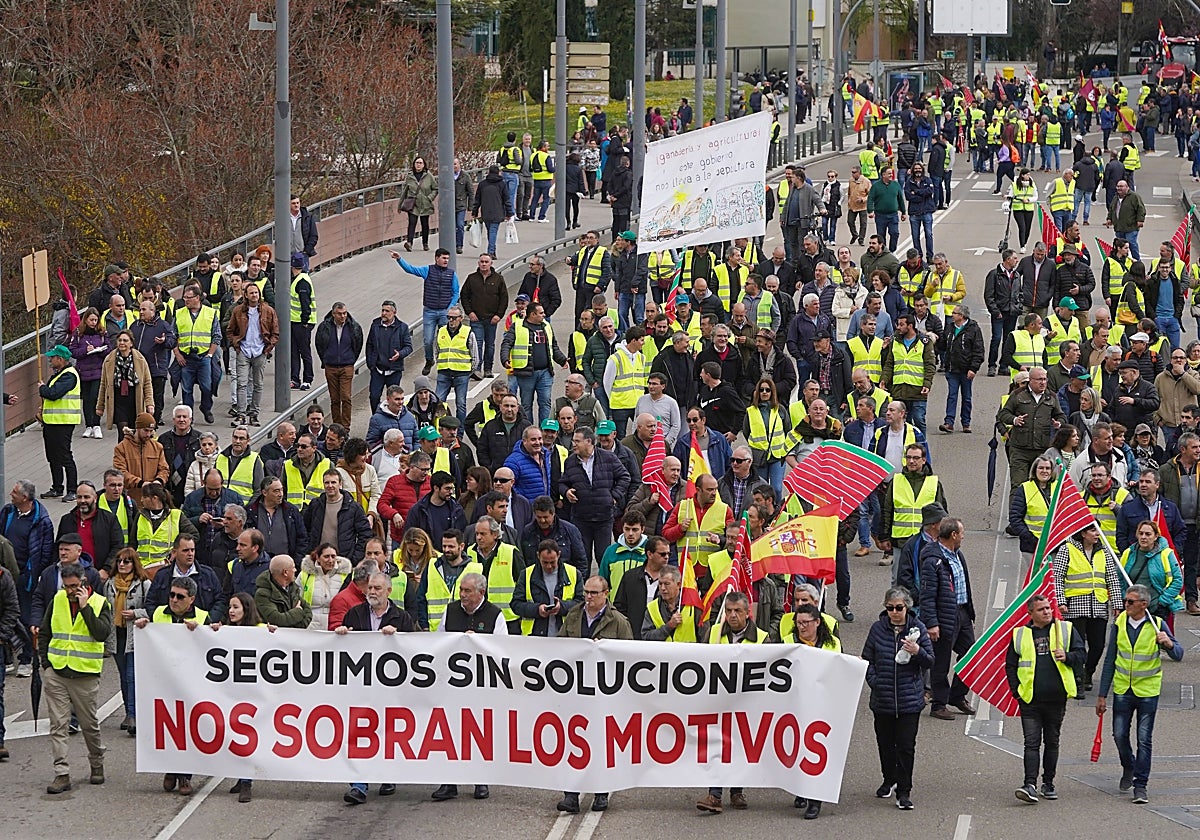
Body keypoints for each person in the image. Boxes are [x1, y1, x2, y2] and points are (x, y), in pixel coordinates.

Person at [1096, 583, 1184, 805]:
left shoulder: (1157, 625)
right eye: (1126, 600)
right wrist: (1102, 694)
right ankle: (1129, 765)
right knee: (1119, 735)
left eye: (1130, 602)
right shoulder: (1119, 623)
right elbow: (1110, 659)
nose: (1126, 604)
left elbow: (1178, 654)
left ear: (1143, 605)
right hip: (1123, 689)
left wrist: (1168, 644)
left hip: (1147, 691)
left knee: (1144, 739)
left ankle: (1140, 785)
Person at [335, 570, 417, 805]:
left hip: (391, 688)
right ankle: (359, 785)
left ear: (389, 591)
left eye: (377, 588)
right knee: (360, 732)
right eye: (370, 588)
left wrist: (399, 637)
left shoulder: (401, 618)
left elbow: (413, 650)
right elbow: (345, 650)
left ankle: (387, 774)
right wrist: (342, 634)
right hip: (361, 687)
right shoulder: (354, 614)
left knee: (388, 731)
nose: (372, 592)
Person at [554, 574, 631, 814]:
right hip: (576, 690)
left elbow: (628, 656)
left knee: (600, 744)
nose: (588, 597)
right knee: (574, 744)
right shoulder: (574, 615)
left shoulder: (617, 621)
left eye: (594, 593)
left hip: (603, 694)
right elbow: (560, 646)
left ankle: (601, 792)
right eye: (586, 592)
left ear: (606, 594)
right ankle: (571, 795)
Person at [39, 561, 112, 794]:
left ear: (84, 583)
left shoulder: (99, 603)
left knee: (89, 725)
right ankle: (61, 773)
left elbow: (102, 633)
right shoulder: (58, 600)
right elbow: (45, 632)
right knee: (58, 725)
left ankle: (97, 764)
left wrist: (85, 607)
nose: (69, 591)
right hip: (58, 673)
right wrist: (46, 665)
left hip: (85, 675)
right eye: (66, 586)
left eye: (73, 586)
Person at [1006, 593, 1086, 804]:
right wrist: (1017, 691)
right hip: (1030, 700)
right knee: (1031, 743)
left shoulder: (1065, 629)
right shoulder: (1020, 635)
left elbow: (1081, 655)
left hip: (1057, 698)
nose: (1048, 612)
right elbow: (1011, 665)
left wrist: (1068, 657)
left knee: (1052, 742)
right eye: (1042, 609)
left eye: (1049, 608)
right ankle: (1029, 784)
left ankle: (1048, 782)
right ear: (1031, 613)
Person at [861, 586, 932, 811]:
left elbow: (930, 661)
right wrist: (875, 681)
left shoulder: (918, 629)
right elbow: (867, 659)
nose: (894, 612)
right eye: (890, 608)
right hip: (882, 700)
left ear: (907, 607)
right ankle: (888, 779)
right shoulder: (877, 629)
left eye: (898, 608)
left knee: (905, 746)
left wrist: (917, 651)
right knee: (885, 745)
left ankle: (904, 791)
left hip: (909, 700)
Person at [919, 517, 977, 720]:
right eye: (961, 533)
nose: (963, 536)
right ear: (953, 535)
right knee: (940, 662)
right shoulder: (932, 560)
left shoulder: (956, 554)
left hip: (962, 613)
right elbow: (926, 595)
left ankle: (957, 696)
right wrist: (932, 623)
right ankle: (938, 705)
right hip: (944, 616)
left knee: (971, 655)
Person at [560, 426, 629, 571]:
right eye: (573, 441)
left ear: (589, 442)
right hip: (581, 518)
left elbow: (624, 477)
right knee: (582, 558)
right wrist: (566, 492)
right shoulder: (570, 461)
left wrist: (614, 496)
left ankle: (605, 588)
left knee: (603, 557)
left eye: (577, 441)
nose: (573, 444)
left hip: (603, 518)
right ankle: (582, 590)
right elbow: (562, 483)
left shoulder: (608, 457)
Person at [998, 367, 1067, 491]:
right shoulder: (1018, 394)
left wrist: (1059, 423)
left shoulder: (1051, 396)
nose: (1043, 383)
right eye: (1039, 379)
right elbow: (1003, 414)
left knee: (1041, 486)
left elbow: (1060, 415)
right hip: (1020, 450)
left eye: (1045, 379)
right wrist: (1015, 420)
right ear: (1030, 380)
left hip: (1042, 449)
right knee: (1018, 486)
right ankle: (1016, 510)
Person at [501, 302, 566, 424]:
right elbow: (506, 343)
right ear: (532, 314)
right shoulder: (517, 326)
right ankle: (529, 430)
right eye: (541, 313)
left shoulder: (546, 326)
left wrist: (562, 360)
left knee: (545, 403)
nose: (544, 315)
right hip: (526, 373)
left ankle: (545, 430)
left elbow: (553, 346)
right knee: (526, 404)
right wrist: (505, 359)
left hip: (545, 372)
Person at [37, 345, 82, 502]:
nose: (50, 360)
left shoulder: (69, 375)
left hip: (63, 422)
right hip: (52, 421)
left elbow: (53, 394)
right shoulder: (59, 374)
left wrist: (42, 389)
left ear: (61, 359)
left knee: (64, 456)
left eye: (53, 357)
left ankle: (72, 489)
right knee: (52, 456)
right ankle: (57, 487)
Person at [882, 313, 935, 435]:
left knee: (919, 420)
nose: (898, 327)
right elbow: (890, 363)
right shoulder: (895, 341)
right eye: (898, 324)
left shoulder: (924, 342)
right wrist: (884, 379)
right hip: (899, 390)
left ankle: (921, 448)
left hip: (917, 390)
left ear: (910, 326)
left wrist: (927, 384)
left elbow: (929, 365)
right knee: (902, 422)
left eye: (901, 324)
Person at [364, 300, 413, 415]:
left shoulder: (402, 327)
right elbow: (369, 345)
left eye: (387, 311)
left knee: (394, 399)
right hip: (378, 370)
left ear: (394, 312)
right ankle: (377, 419)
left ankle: (392, 419)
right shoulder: (375, 325)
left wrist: (400, 354)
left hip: (394, 370)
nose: (384, 313)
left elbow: (408, 347)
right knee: (374, 397)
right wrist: (371, 364)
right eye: (382, 310)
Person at [254, 554, 312, 629]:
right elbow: (277, 619)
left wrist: (297, 626)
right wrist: (297, 612)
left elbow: (308, 611)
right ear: (285, 572)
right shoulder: (262, 594)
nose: (295, 570)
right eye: (293, 567)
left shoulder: (293, 588)